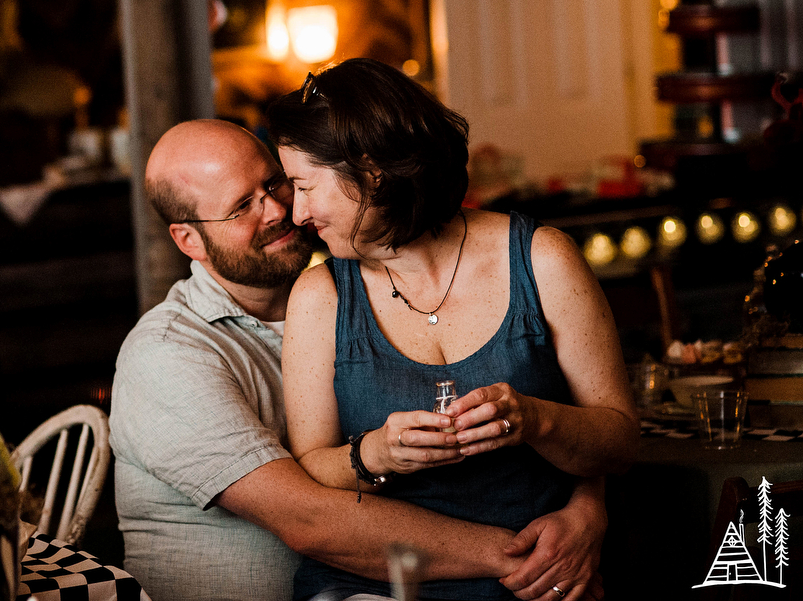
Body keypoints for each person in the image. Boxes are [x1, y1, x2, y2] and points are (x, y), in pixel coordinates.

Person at [109, 118, 609, 601]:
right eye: (241, 207)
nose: (280, 210)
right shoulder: (166, 356)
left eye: (277, 183)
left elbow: (570, 415)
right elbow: (310, 522)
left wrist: (588, 509)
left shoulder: (346, 291)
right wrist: (530, 560)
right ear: (188, 240)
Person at [264, 59, 640, 601]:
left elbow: (620, 443)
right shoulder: (322, 296)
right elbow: (314, 467)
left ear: (370, 171)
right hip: (377, 587)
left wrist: (534, 419)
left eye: (304, 186)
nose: (297, 213)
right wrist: (379, 454)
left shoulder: (541, 259)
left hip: (541, 581)